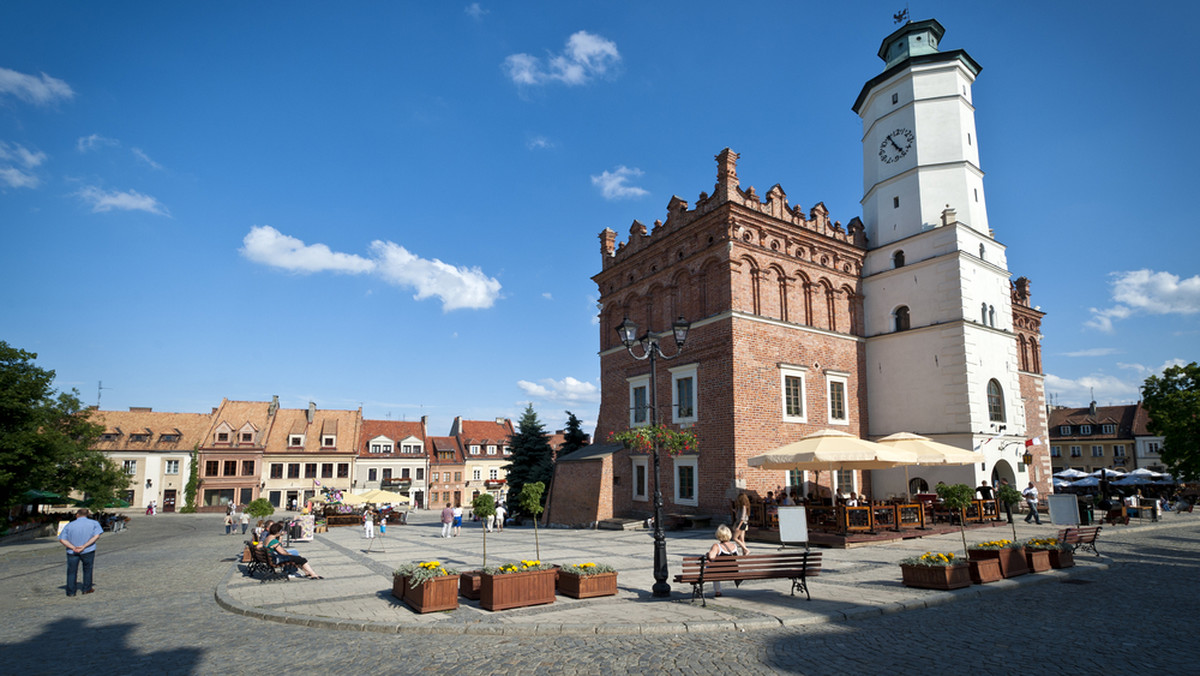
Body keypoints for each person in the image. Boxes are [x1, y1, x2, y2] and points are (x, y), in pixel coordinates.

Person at [59, 508, 103, 596]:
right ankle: (86, 589)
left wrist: (73, 547)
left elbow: (62, 539)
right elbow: (96, 536)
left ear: (77, 515)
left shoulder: (69, 525)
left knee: (71, 571)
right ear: (88, 514)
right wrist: (84, 546)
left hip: (72, 551)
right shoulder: (94, 523)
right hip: (87, 550)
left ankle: (71, 592)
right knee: (87, 569)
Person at [706, 524, 745, 598]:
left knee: (711, 567)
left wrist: (708, 554)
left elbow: (711, 557)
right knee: (715, 568)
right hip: (732, 571)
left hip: (719, 572)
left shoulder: (716, 546)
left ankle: (718, 591)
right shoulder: (734, 546)